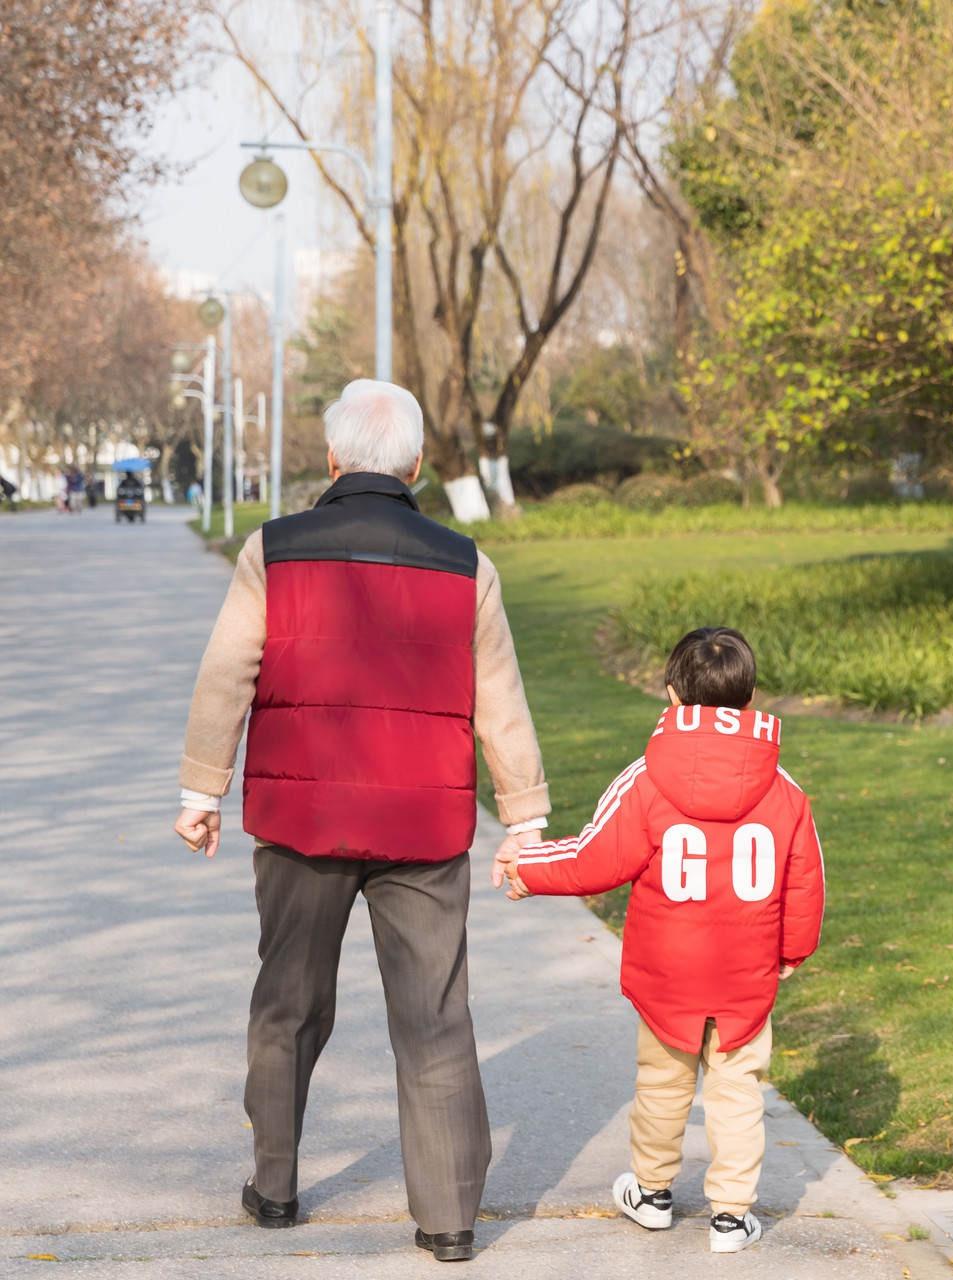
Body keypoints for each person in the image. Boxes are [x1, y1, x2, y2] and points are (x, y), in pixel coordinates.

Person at [172, 379, 552, 1262]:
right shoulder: (466, 564)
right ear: (417, 465)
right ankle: (451, 1219)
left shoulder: (276, 550)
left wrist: (201, 792)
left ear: (332, 461)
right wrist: (524, 816)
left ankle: (273, 1188)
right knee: (434, 1017)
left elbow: (227, 671)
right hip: (424, 831)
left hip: (302, 821)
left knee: (287, 1005)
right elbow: (500, 700)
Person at [496, 628, 824, 1255]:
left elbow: (596, 856)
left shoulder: (647, 776)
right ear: (749, 700)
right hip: (744, 971)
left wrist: (528, 869)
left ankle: (651, 1192)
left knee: (662, 1084)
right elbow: (805, 878)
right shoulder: (784, 789)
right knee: (737, 1090)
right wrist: (792, 951)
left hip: (666, 971)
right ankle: (731, 1214)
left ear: (672, 696)